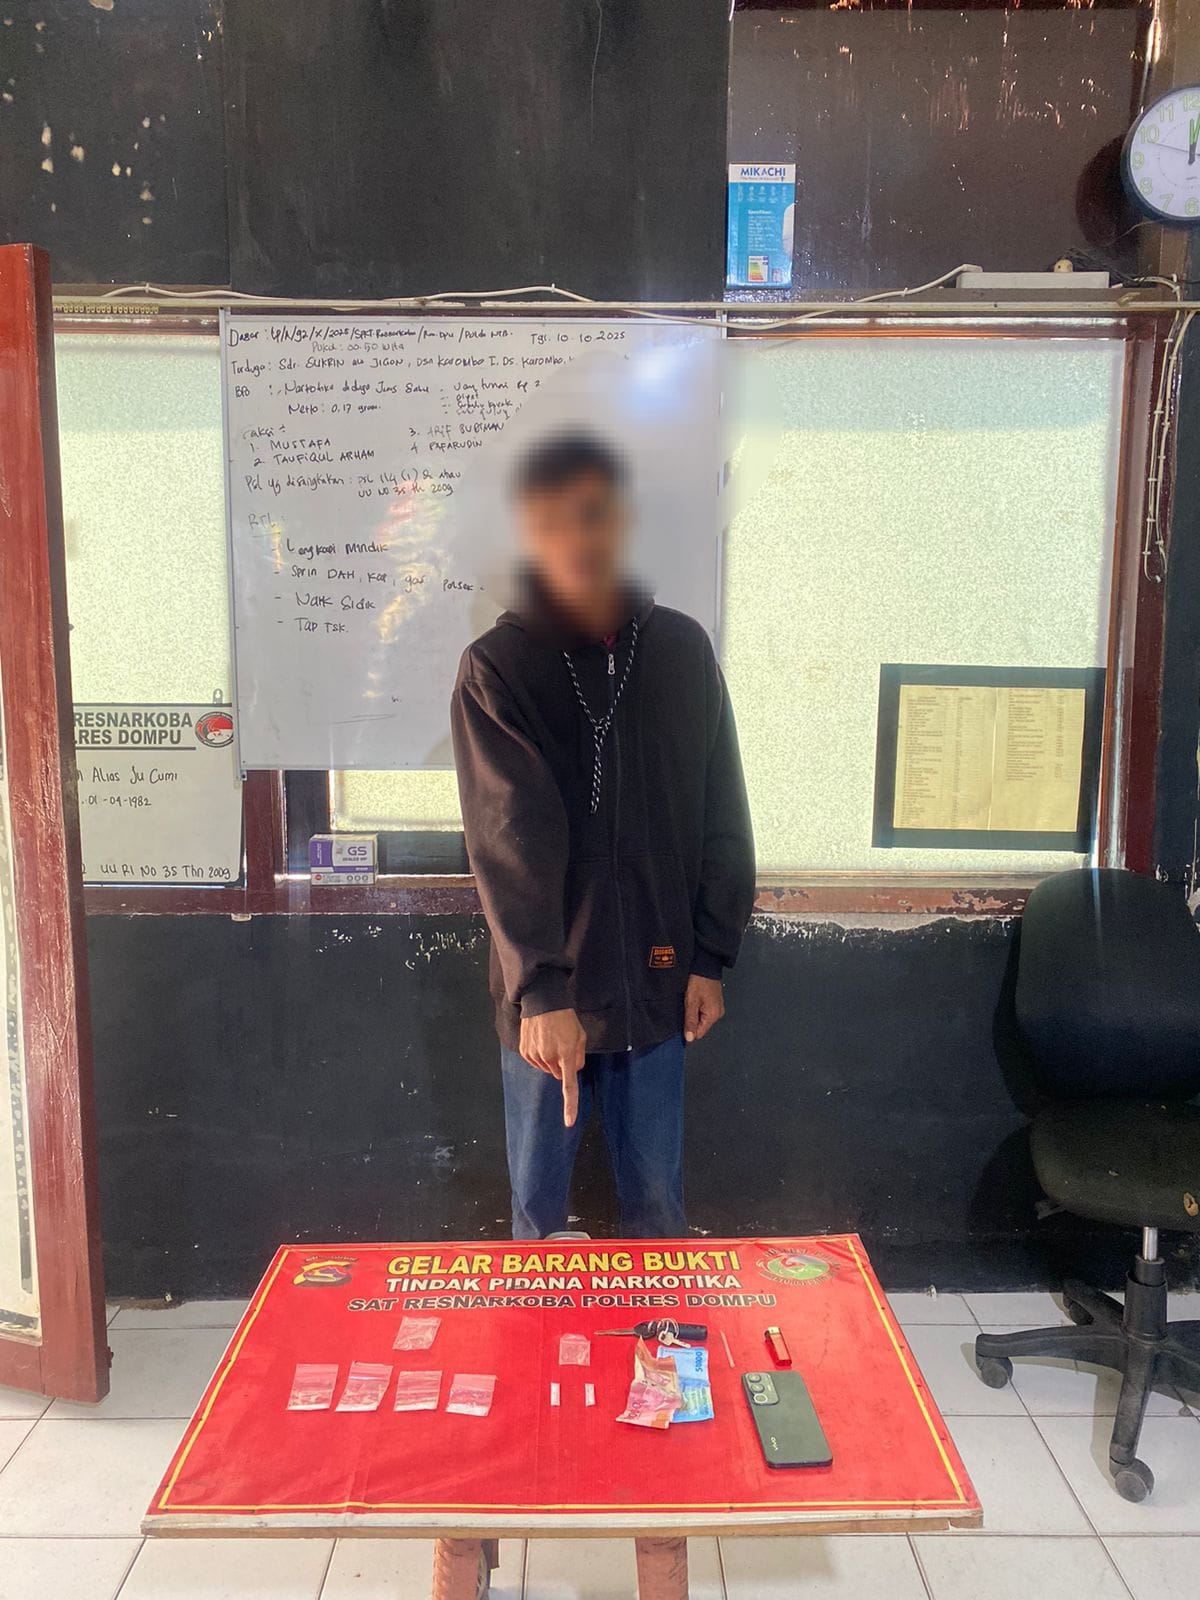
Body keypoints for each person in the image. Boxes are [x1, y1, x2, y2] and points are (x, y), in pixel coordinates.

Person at [450, 431, 755, 1240]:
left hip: (660, 983)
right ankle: (536, 1332)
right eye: (551, 522)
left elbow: (722, 809)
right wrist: (542, 992)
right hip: (549, 997)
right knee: (539, 1215)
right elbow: (506, 839)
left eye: (592, 514)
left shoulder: (682, 651)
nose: (575, 539)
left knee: (656, 1208)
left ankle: (661, 1329)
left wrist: (711, 955)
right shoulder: (499, 667)